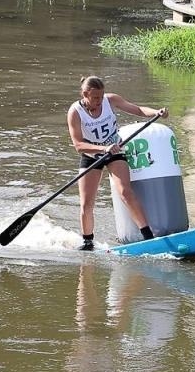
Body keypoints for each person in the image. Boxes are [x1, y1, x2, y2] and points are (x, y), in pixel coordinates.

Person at [66, 75, 166, 251]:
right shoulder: (75, 112)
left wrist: (156, 112)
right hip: (92, 155)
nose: (99, 101)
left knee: (125, 192)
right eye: (95, 98)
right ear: (85, 94)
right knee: (86, 203)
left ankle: (148, 237)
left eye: (101, 96)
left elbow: (138, 110)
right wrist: (103, 148)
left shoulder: (110, 100)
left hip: (115, 151)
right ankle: (88, 243)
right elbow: (78, 145)